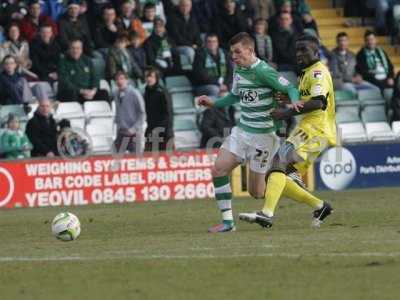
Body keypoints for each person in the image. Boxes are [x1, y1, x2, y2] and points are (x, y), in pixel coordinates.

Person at [197, 32, 300, 233]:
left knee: (256, 192)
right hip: (242, 132)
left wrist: (294, 101)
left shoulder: (264, 71)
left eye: (237, 52)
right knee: (218, 170)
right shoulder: (238, 70)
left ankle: (288, 182)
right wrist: (214, 103)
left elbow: (290, 88)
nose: (233, 57)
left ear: (250, 50)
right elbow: (235, 96)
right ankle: (228, 223)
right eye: (231, 53)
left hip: (264, 137)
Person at [239, 34, 336, 229]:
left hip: (315, 129)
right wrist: (287, 99)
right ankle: (320, 206)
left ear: (316, 52)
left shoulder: (318, 72)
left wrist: (286, 111)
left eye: (304, 50)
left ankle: (266, 214)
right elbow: (306, 99)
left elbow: (319, 102)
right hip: (308, 129)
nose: (299, 54)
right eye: (297, 50)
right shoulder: (306, 72)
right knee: (277, 173)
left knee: (278, 164)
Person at [58, 39, 108, 103]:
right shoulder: (63, 62)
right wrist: (81, 91)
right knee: (72, 94)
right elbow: (65, 82)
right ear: (69, 49)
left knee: (104, 93)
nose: (75, 51)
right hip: (70, 93)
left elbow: (95, 77)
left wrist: (93, 90)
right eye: (73, 48)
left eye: (78, 48)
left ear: (81, 49)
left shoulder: (87, 60)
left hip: (88, 93)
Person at [113, 71, 146, 154]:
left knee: (136, 158)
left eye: (122, 79)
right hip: (121, 131)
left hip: (134, 132)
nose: (119, 81)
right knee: (116, 155)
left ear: (127, 80)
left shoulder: (134, 93)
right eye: (117, 79)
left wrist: (134, 129)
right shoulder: (116, 93)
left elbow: (142, 113)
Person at [143, 67, 174, 151]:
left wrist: (168, 131)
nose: (148, 79)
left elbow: (169, 113)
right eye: (147, 76)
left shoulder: (162, 92)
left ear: (156, 78)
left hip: (164, 131)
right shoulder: (146, 92)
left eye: (151, 77)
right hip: (151, 129)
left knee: (167, 159)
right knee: (149, 158)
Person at [356, 30, 395, 95]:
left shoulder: (381, 52)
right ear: (365, 41)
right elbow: (363, 71)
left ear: (375, 40)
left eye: (372, 39)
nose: (370, 42)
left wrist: (390, 77)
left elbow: (390, 66)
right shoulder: (361, 54)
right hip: (372, 79)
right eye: (368, 40)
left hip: (386, 78)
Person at [166, 0, 202, 65]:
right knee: (189, 51)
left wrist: (199, 44)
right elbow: (177, 37)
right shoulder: (172, 18)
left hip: (190, 45)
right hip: (176, 46)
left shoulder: (193, 17)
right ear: (179, 6)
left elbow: (197, 33)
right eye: (183, 6)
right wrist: (191, 45)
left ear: (191, 6)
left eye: (187, 6)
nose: (185, 8)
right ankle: (190, 72)